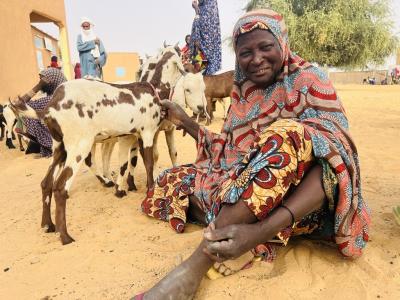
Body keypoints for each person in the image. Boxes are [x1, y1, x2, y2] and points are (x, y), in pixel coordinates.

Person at [134, 9, 370, 299]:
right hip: (246, 190)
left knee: (288, 135)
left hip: (301, 203)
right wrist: (186, 121)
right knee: (171, 180)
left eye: (265, 47)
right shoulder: (243, 92)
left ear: (281, 43)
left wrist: (257, 232)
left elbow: (334, 165)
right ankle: (239, 235)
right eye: (245, 52)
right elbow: (229, 150)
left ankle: (197, 266)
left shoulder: (309, 80)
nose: (256, 59)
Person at [17, 68, 66, 157]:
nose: (40, 81)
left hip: (60, 141)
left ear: (52, 80)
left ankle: (50, 146)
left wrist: (38, 86)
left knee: (30, 113)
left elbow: (20, 104)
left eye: (42, 79)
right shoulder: (63, 95)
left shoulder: (52, 100)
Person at [190, 0, 221, 75]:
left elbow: (197, 27)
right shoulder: (212, 13)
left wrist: (197, 11)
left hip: (203, 55)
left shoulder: (205, 12)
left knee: (200, 75)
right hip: (209, 56)